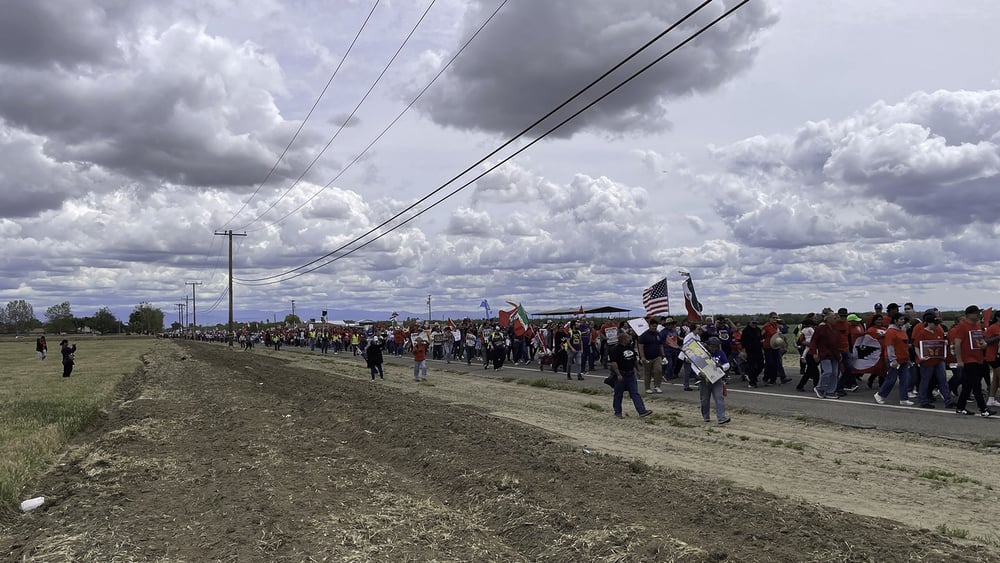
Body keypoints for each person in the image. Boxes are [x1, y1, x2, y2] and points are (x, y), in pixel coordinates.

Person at [952, 305, 991, 416]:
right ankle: (983, 409)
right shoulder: (962, 326)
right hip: (969, 359)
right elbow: (957, 343)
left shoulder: (977, 325)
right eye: (976, 313)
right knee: (976, 384)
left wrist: (984, 344)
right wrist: (959, 360)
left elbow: (980, 339)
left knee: (967, 385)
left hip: (978, 358)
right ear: (969, 314)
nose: (978, 315)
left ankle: (960, 407)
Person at [912, 310, 953, 409]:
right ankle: (923, 400)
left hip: (938, 360)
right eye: (934, 324)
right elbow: (916, 346)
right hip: (927, 361)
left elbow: (942, 341)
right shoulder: (922, 333)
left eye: (937, 324)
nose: (936, 325)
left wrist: (945, 343)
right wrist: (920, 357)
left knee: (942, 379)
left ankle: (948, 400)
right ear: (929, 323)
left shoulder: (938, 330)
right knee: (925, 380)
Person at [607, 332, 653, 419]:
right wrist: (618, 374)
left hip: (630, 374)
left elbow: (634, 359)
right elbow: (614, 363)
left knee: (635, 393)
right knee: (618, 394)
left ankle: (642, 411)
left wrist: (638, 370)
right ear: (623, 339)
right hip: (621, 374)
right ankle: (618, 412)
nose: (629, 339)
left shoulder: (630, 347)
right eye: (628, 338)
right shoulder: (615, 349)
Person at [874, 312, 914, 406]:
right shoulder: (891, 331)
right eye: (901, 319)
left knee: (905, 379)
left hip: (903, 358)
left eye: (903, 319)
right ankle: (880, 395)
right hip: (894, 359)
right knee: (892, 379)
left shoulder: (902, 330)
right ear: (895, 320)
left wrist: (907, 358)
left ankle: (904, 398)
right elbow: (890, 346)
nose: (902, 321)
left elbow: (904, 346)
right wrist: (893, 359)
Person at [700, 337, 731, 424]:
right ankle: (706, 416)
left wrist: (722, 367)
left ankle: (721, 417)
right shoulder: (703, 353)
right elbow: (695, 364)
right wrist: (699, 373)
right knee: (705, 399)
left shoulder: (720, 353)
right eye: (712, 346)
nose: (714, 348)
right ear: (708, 345)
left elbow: (727, 364)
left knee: (719, 397)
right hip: (705, 379)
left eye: (716, 346)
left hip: (717, 378)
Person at [809, 313, 840, 399]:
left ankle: (831, 391)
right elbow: (814, 340)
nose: (836, 320)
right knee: (828, 371)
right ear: (828, 319)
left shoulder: (835, 329)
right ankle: (819, 388)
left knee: (835, 373)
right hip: (824, 353)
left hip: (835, 354)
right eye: (834, 318)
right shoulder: (821, 328)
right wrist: (814, 352)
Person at [638, 317, 665, 394]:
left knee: (658, 370)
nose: (654, 328)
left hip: (657, 356)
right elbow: (640, 346)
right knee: (648, 373)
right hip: (647, 357)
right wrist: (642, 357)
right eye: (653, 326)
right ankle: (647, 388)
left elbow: (661, 345)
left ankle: (657, 386)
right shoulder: (644, 335)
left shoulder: (658, 334)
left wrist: (663, 354)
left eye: (656, 326)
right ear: (649, 326)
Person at [740, 318, 764, 388]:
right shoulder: (746, 330)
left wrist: (762, 347)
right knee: (751, 366)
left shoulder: (758, 330)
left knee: (761, 365)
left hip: (758, 350)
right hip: (749, 351)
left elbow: (760, 339)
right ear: (750, 322)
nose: (754, 324)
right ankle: (752, 382)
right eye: (753, 323)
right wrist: (744, 351)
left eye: (756, 323)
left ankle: (753, 377)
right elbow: (743, 341)